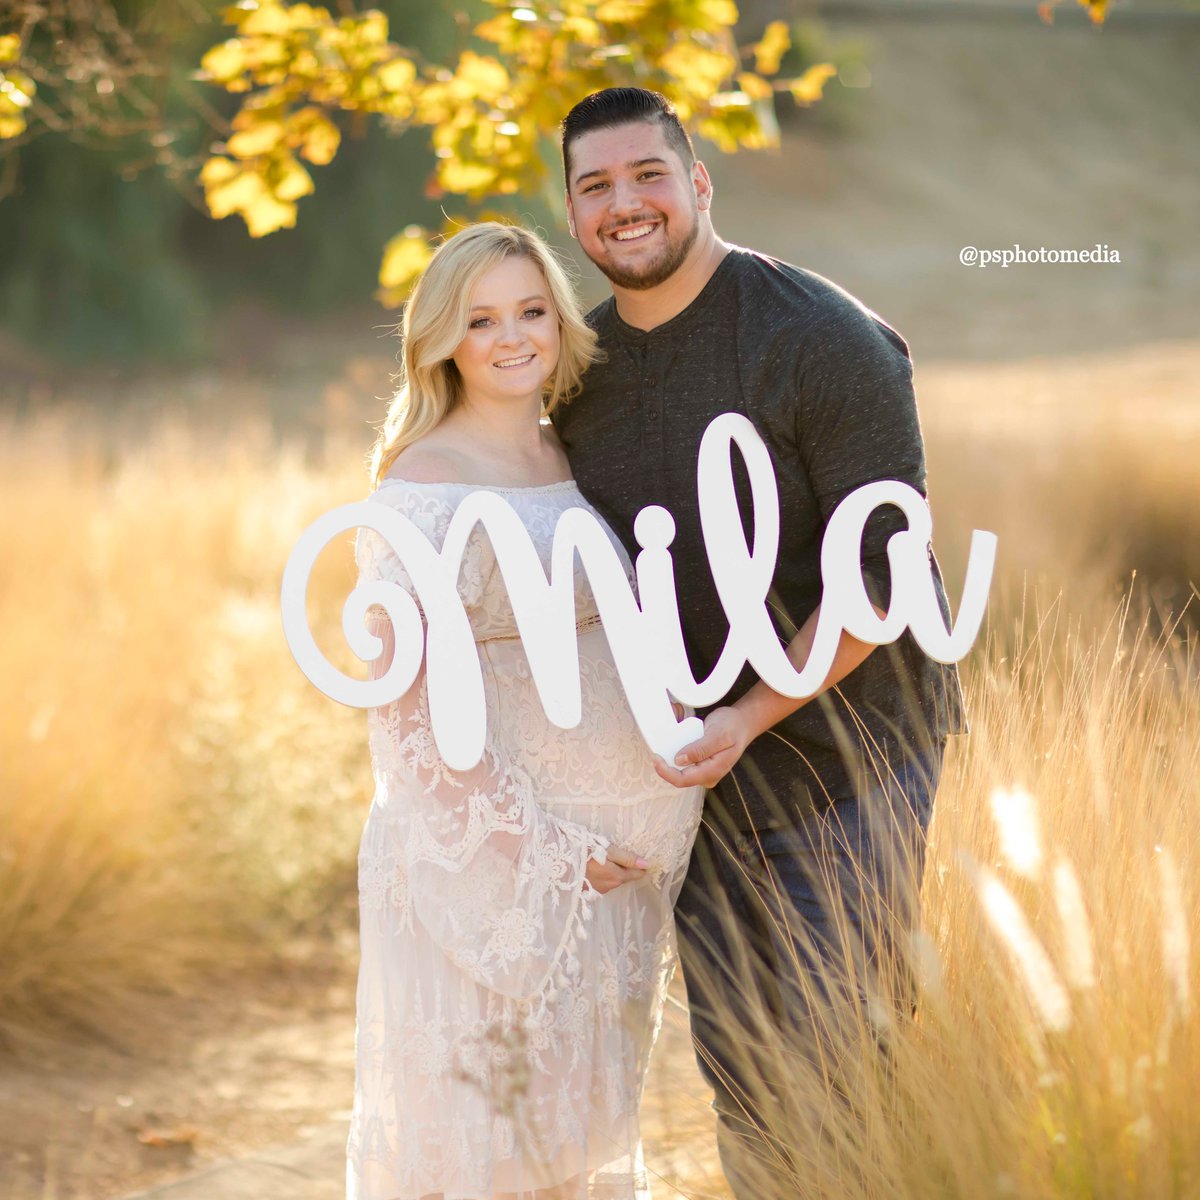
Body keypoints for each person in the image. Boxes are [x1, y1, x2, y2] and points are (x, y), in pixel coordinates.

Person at [551, 88, 969, 1195]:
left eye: (648, 175)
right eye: (595, 187)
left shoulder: (818, 335)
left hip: (854, 757)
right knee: (741, 1069)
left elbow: (885, 577)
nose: (624, 205)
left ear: (699, 181)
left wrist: (744, 716)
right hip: (698, 785)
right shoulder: (577, 377)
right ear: (574, 213)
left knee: (843, 1062)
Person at [344, 220, 705, 1200]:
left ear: (560, 319)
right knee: (491, 1151)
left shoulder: (569, 453)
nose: (513, 337)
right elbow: (412, 720)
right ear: (442, 340)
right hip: (498, 870)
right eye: (482, 318)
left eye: (533, 311)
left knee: (574, 1152)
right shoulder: (421, 483)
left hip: (616, 861)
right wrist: (542, 854)